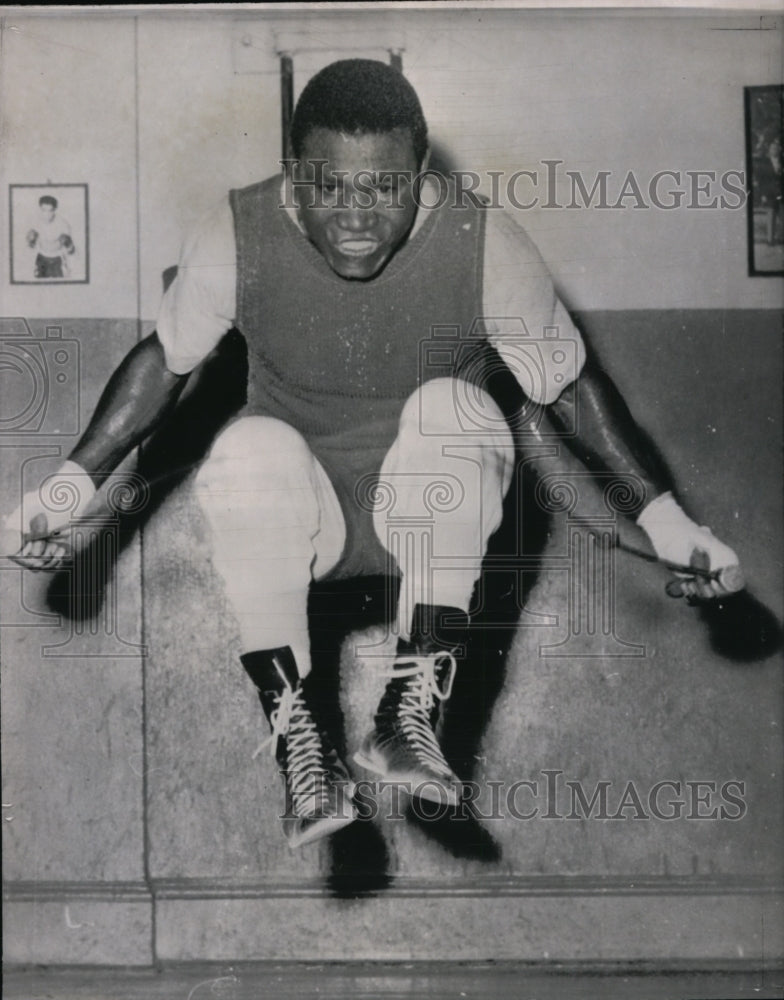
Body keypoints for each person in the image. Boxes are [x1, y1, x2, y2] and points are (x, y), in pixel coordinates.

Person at [3, 60, 742, 850]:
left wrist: (669, 527)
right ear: (292, 178)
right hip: (301, 518)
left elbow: (568, 395)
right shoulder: (236, 234)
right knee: (247, 444)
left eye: (384, 188)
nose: (357, 215)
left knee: (456, 407)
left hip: (425, 517)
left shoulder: (486, 244)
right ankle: (299, 738)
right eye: (329, 187)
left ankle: (408, 709)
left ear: (421, 178)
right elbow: (167, 362)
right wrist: (65, 491)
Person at [26, 195, 75, 279]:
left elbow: (71, 251)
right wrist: (30, 241)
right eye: (44, 210)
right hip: (41, 258)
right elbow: (30, 247)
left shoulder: (63, 224)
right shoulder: (35, 223)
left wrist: (68, 243)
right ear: (40, 209)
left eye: (50, 210)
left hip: (57, 259)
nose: (47, 214)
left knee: (60, 288)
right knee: (39, 288)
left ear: (55, 210)